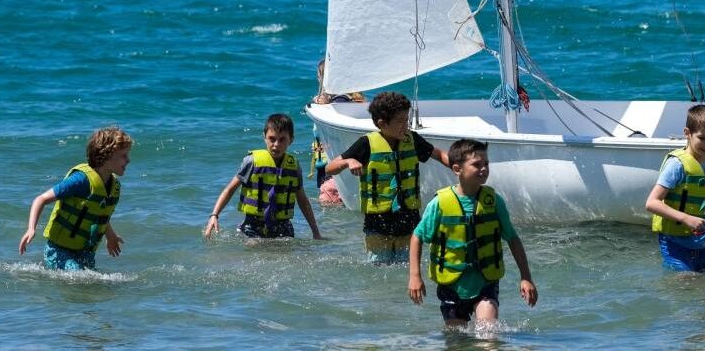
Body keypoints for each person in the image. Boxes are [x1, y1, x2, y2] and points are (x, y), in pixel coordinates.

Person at [409, 139, 538, 327]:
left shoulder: (494, 201)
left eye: (486, 164)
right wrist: (415, 276)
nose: (484, 168)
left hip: (485, 281)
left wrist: (526, 277)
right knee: (456, 340)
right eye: (476, 164)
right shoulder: (439, 204)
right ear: (457, 169)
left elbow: (512, 238)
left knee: (488, 332)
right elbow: (417, 237)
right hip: (451, 284)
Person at [323, 91, 451, 263]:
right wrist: (349, 162)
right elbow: (329, 168)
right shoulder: (366, 144)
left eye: (406, 119)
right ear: (382, 123)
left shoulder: (412, 140)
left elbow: (439, 155)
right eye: (400, 121)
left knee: (406, 268)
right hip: (378, 222)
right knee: (379, 268)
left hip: (409, 219)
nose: (405, 125)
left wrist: (461, 166)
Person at [18, 126, 133, 271]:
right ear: (107, 156)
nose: (128, 160)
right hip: (60, 250)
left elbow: (99, 214)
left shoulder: (112, 185)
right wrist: (31, 229)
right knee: (83, 279)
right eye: (123, 155)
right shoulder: (81, 180)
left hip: (85, 252)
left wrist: (111, 236)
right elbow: (41, 199)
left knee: (91, 286)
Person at [645, 104, 705, 272]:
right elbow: (651, 203)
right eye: (702, 138)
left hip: (703, 243)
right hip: (674, 241)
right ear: (687, 133)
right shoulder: (677, 164)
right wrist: (687, 219)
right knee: (686, 282)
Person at [204, 113, 324, 240]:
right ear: (264, 137)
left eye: (282, 139)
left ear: (291, 140)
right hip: (253, 224)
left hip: (283, 225)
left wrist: (316, 232)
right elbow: (229, 189)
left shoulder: (294, 167)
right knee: (254, 248)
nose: (276, 144)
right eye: (272, 139)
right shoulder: (251, 162)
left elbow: (302, 200)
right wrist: (214, 215)